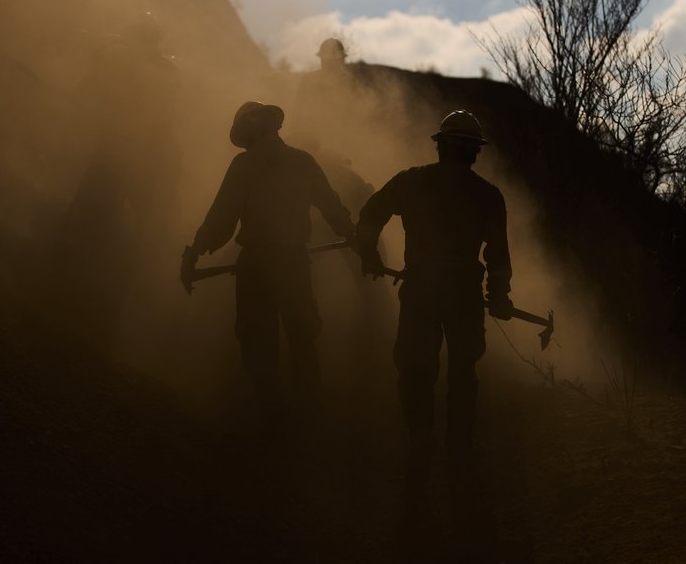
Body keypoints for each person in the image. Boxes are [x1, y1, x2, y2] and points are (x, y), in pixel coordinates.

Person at [355, 110, 513, 488]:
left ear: (440, 145)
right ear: (474, 152)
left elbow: (372, 212)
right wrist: (499, 295)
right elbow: (497, 254)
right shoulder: (487, 195)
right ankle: (458, 446)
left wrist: (368, 253)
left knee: (416, 368)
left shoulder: (413, 181)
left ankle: (420, 441)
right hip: (463, 294)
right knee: (462, 371)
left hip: (421, 290)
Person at [182, 101, 355, 419]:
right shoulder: (299, 161)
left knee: (263, 340)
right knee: (298, 337)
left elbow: (221, 218)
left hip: (259, 264)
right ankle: (303, 413)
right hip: (288, 263)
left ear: (252, 133)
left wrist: (196, 250)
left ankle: (274, 413)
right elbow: (331, 207)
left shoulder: (246, 165)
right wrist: (353, 236)